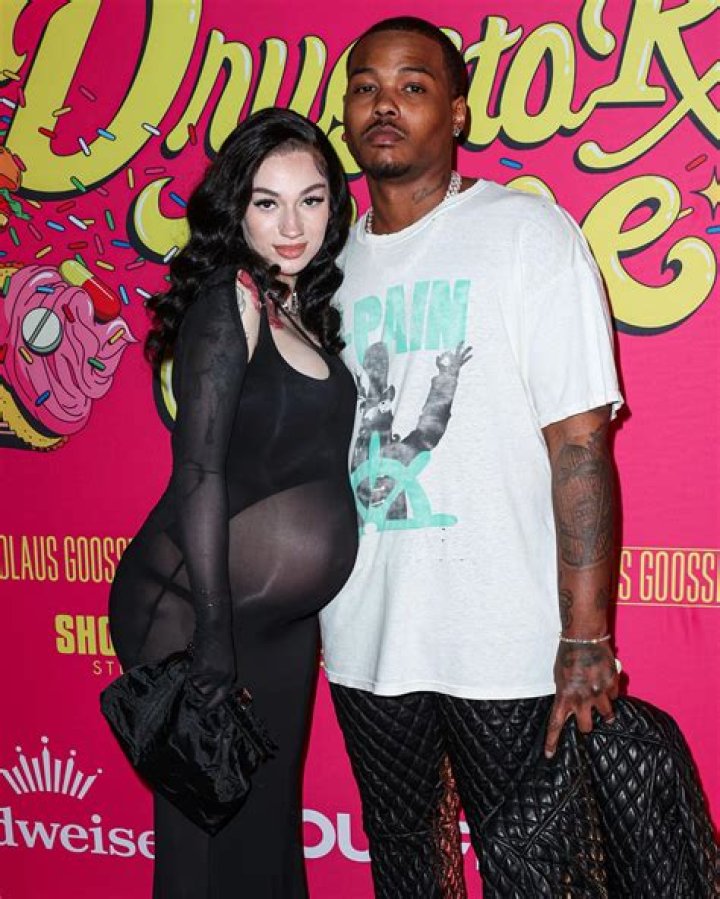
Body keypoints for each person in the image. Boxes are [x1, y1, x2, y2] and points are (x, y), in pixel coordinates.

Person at [320, 16, 718, 897]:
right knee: (405, 866)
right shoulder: (327, 267)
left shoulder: (527, 234)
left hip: (507, 644)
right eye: (366, 87)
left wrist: (586, 636)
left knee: (540, 876)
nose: (385, 104)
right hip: (363, 636)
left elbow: (579, 444)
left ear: (457, 112)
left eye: (413, 86)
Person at [108, 108, 357, 899]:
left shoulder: (298, 306)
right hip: (192, 610)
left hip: (273, 618)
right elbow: (198, 472)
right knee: (207, 849)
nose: (293, 226)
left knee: (265, 833)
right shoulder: (231, 300)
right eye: (267, 202)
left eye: (311, 200)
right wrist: (212, 636)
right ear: (235, 208)